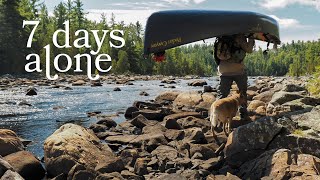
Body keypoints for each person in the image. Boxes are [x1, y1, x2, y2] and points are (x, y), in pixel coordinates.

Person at [214, 34, 255, 120]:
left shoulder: (221, 37)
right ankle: (243, 114)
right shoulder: (240, 36)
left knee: (222, 94)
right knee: (242, 93)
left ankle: (216, 114)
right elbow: (249, 50)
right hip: (238, 70)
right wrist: (251, 38)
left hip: (223, 70)